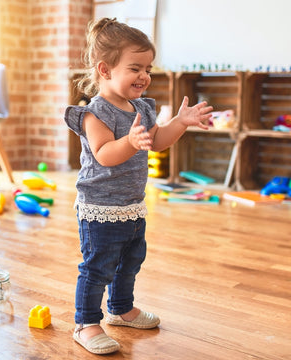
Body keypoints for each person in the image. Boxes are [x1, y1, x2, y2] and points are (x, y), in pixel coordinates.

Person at [64, 17, 213, 355]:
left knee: (130, 261)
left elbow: (157, 141)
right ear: (105, 69)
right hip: (100, 208)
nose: (145, 76)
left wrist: (179, 123)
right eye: (135, 68)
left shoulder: (141, 108)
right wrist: (130, 141)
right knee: (98, 267)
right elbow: (103, 154)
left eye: (148, 68)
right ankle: (86, 324)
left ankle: (121, 309)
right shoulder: (94, 114)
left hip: (131, 205)